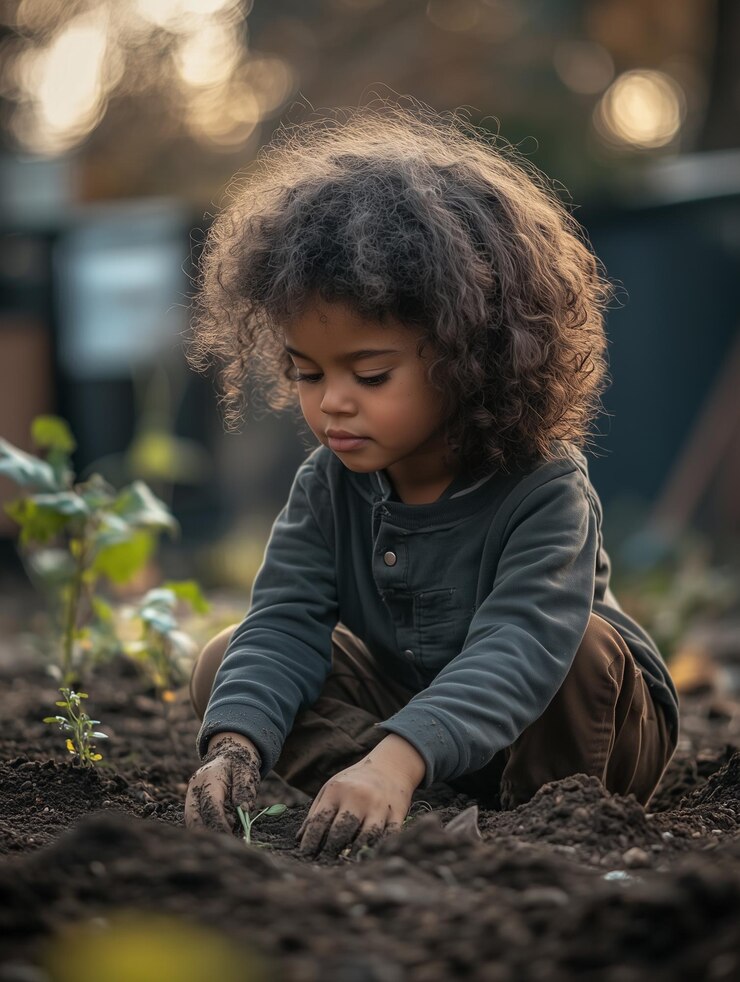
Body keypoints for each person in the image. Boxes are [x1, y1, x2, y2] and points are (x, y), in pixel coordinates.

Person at [183, 101, 678, 858]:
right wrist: (235, 747)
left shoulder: (543, 485)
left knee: (581, 650)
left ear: (470, 357)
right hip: (414, 712)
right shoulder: (329, 485)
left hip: (575, 724)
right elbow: (285, 621)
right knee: (229, 663)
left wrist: (396, 757)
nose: (332, 401)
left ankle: (534, 827)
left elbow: (520, 646)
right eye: (307, 372)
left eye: (370, 373)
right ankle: (406, 805)